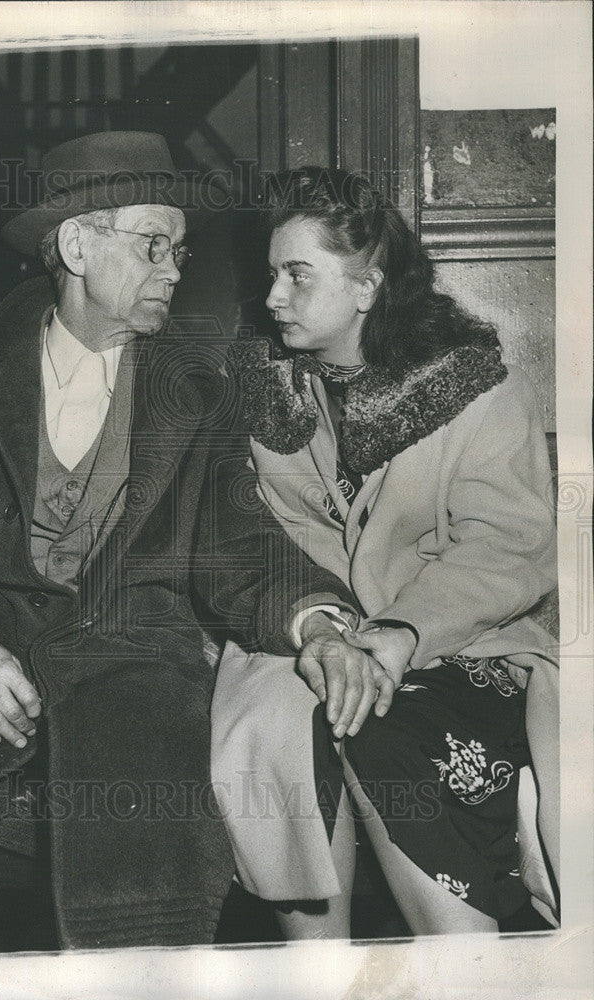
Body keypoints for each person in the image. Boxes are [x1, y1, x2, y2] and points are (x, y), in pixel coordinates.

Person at [0, 134, 364, 953]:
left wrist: (318, 619)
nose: (175, 269)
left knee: (142, 875)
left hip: (136, 667)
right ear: (76, 244)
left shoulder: (198, 389)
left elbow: (237, 543)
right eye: (153, 245)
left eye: (179, 249)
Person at [212, 166, 560, 938]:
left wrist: (399, 636)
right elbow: (251, 538)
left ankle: (464, 959)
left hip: (456, 643)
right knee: (287, 727)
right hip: (304, 641)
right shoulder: (259, 385)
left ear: (367, 287)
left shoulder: (474, 386)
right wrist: (328, 633)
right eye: (272, 274)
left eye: (297, 275)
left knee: (378, 722)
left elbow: (511, 549)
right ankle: (321, 973)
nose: (272, 297)